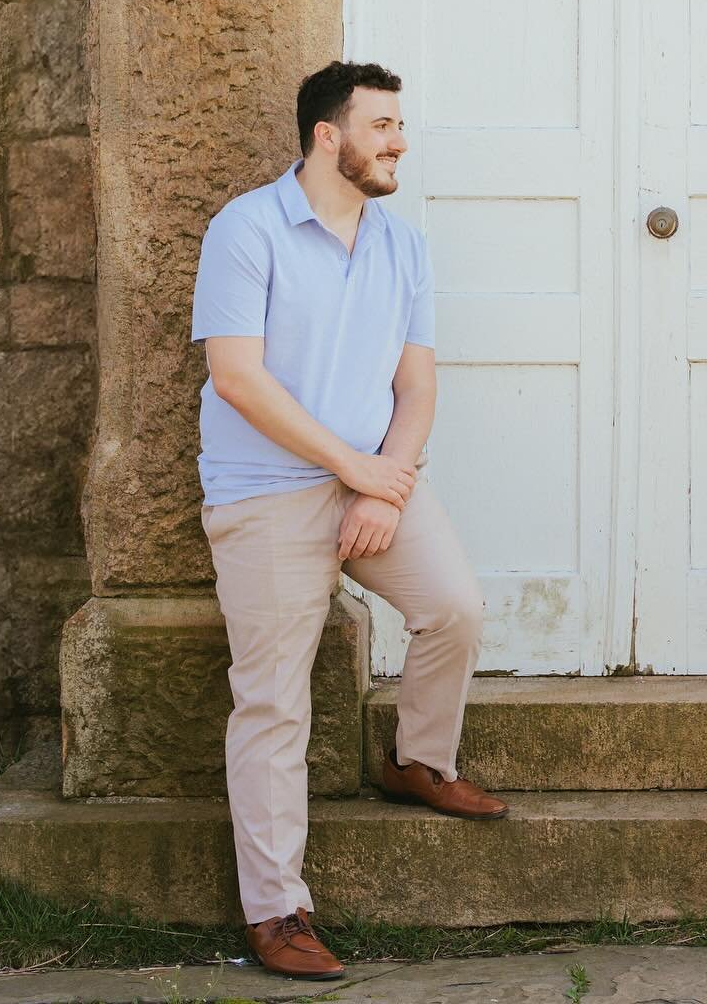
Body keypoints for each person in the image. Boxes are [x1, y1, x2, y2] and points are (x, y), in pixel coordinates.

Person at [191, 60, 506, 981]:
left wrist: (383, 483)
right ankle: (276, 908)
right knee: (274, 700)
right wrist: (350, 467)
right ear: (328, 137)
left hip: (375, 483)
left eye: (399, 125)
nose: (398, 141)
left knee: (455, 608)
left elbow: (417, 383)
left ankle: (417, 759)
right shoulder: (247, 229)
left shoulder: (403, 245)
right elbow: (236, 376)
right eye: (382, 126)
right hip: (266, 489)